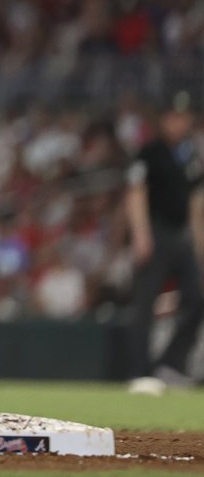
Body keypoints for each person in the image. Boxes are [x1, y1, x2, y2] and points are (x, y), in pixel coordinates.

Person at [124, 92, 204, 394]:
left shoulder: (190, 155)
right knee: (144, 304)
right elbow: (136, 192)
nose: (179, 123)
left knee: (197, 299)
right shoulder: (150, 152)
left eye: (184, 117)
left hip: (181, 235)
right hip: (155, 231)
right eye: (174, 116)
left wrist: (198, 245)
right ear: (164, 119)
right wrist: (141, 235)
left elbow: (196, 201)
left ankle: (171, 365)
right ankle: (139, 373)